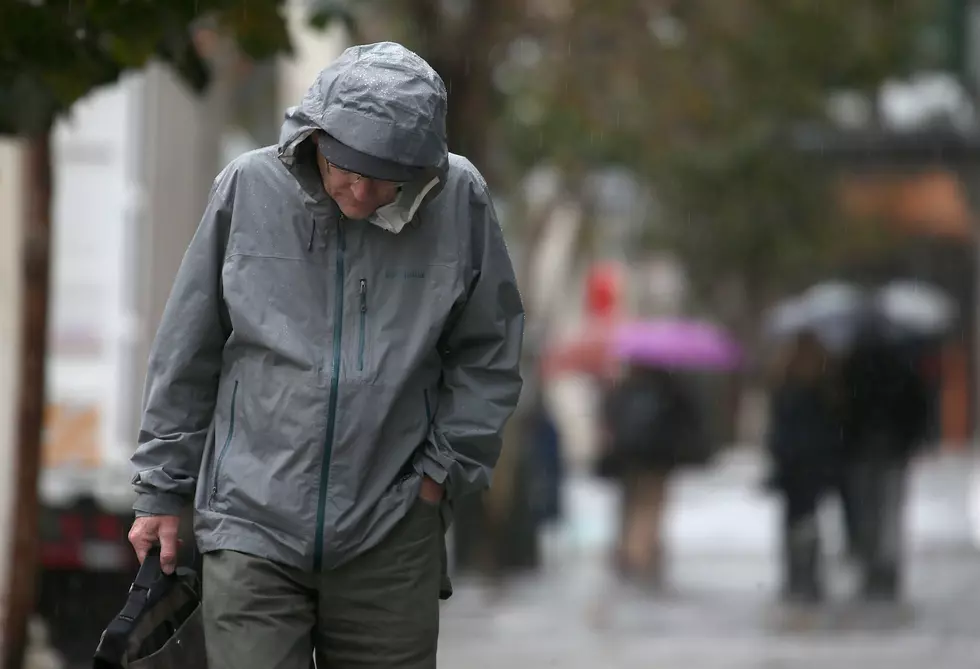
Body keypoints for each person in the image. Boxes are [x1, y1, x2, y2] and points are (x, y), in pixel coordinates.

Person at [127, 41, 524, 669]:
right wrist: (161, 492)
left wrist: (439, 478)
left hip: (391, 532)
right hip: (249, 525)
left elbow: (489, 353)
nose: (362, 192)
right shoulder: (248, 188)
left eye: (385, 176)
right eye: (349, 168)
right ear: (314, 138)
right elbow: (188, 351)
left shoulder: (459, 200)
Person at [597, 365, 710, 589]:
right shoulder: (672, 390)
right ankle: (642, 554)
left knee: (633, 507)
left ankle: (631, 552)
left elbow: (609, 421)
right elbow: (689, 423)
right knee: (651, 509)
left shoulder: (623, 390)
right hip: (659, 460)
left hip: (629, 459)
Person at [840, 327, 930, 601]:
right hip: (889, 450)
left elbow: (843, 409)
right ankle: (885, 569)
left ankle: (874, 568)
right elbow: (918, 406)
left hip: (865, 451)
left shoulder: (852, 368)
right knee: (889, 510)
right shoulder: (903, 367)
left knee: (868, 511)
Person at [764, 332, 844, 603]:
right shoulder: (821, 388)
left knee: (796, 520)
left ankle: (798, 574)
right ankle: (804, 574)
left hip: (796, 465)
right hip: (810, 465)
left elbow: (778, 432)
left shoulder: (788, 386)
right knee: (807, 519)